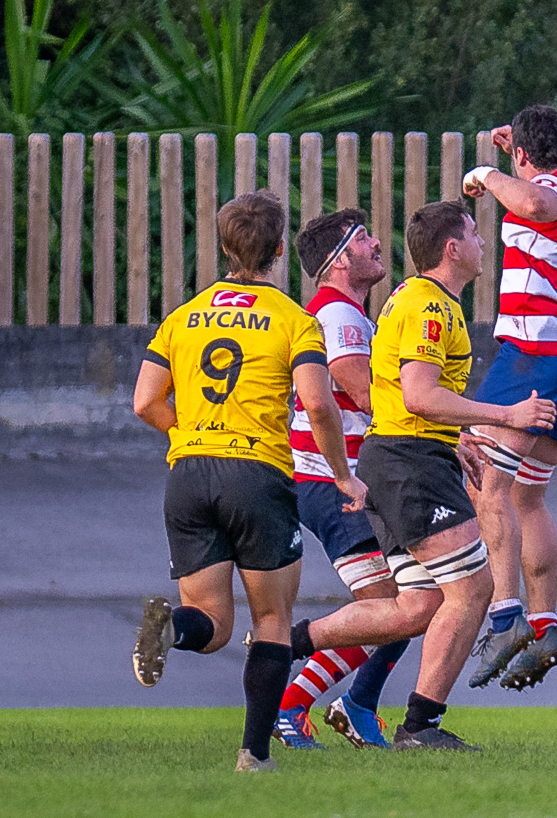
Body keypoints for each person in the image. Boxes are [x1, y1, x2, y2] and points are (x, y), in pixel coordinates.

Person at [285, 201, 554, 751]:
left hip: (394, 459)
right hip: (384, 467)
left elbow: (393, 395)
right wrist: (504, 417)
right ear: (453, 248)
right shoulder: (407, 307)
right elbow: (408, 395)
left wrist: (457, 437)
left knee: (417, 606)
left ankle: (291, 650)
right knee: (471, 588)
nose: (486, 241)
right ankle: (415, 723)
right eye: (477, 232)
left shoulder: (414, 302)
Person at [130, 191, 354, 773]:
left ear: (225, 247)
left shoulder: (182, 317)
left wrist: (191, 434)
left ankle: (169, 628)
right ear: (279, 250)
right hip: (257, 475)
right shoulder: (293, 320)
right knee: (271, 620)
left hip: (190, 472)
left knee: (212, 625)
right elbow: (318, 404)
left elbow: (144, 401)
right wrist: (342, 475)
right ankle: (253, 755)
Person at [460, 104, 557, 691]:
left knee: (482, 481)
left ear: (523, 157)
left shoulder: (549, 189)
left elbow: (537, 202)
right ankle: (546, 627)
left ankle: (506, 617)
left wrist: (486, 176)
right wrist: (511, 156)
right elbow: (544, 197)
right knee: (526, 498)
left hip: (533, 352)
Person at [271, 210, 411, 751]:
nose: (378, 242)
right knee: (390, 604)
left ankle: (353, 705)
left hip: (336, 479)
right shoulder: (339, 316)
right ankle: (293, 705)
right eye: (363, 239)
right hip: (332, 481)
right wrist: (427, 423)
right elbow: (356, 388)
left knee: (408, 600)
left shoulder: (342, 313)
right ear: (337, 261)